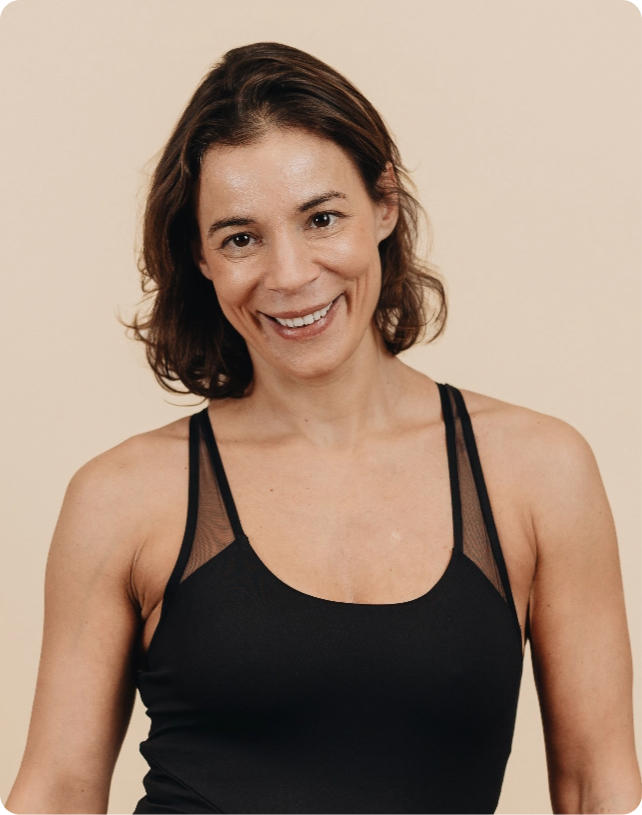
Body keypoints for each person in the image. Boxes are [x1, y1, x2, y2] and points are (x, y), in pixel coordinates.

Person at [5, 42, 641, 815]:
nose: (290, 273)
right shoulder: (122, 498)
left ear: (384, 205)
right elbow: (60, 791)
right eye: (241, 237)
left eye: (321, 217)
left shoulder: (538, 471)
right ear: (201, 260)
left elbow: (596, 786)